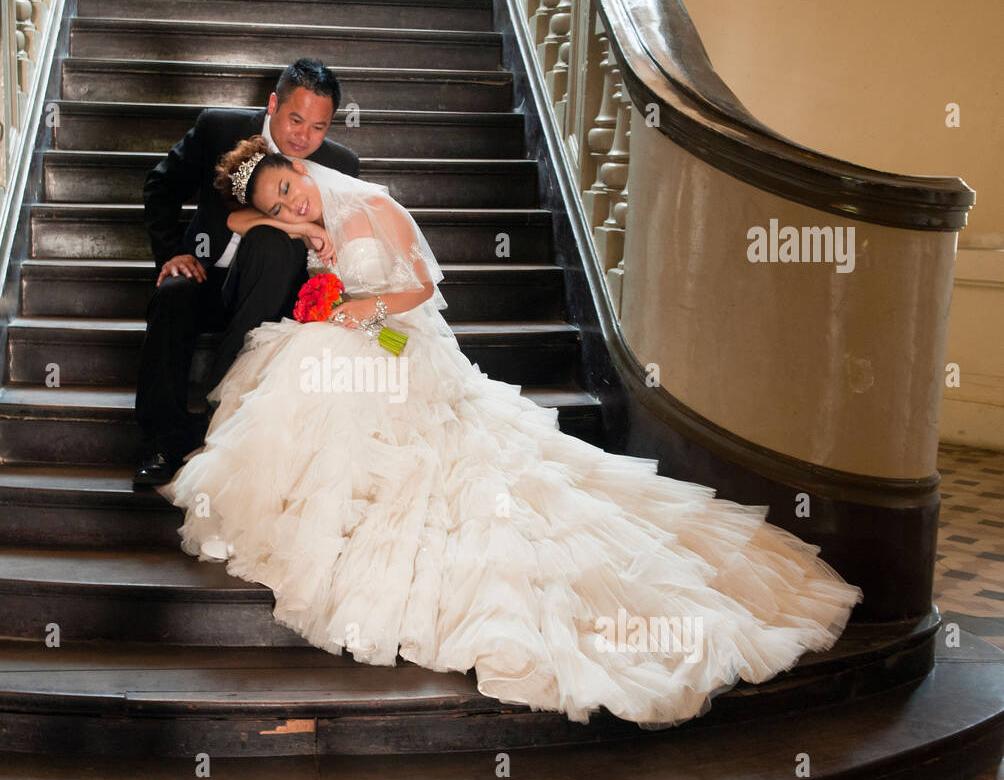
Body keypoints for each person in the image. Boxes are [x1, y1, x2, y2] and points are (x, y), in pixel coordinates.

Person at [157, 137, 864, 729]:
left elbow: (424, 288)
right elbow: (237, 224)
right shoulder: (295, 224)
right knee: (307, 359)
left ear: (300, 167)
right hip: (357, 333)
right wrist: (294, 235)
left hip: (404, 336)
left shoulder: (373, 203)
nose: (291, 205)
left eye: (289, 190)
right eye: (276, 204)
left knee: (338, 368)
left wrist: (361, 308)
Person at [134, 60, 359, 486]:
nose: (303, 137)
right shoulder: (218, 128)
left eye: (318, 127)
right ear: (273, 103)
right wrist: (172, 253)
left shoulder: (340, 166)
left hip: (274, 292)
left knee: (273, 246)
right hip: (205, 273)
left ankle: (223, 423)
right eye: (295, 119)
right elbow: (160, 186)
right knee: (172, 294)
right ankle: (162, 445)